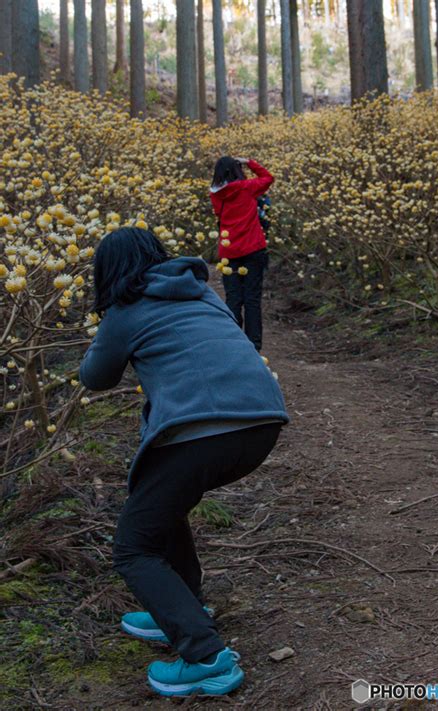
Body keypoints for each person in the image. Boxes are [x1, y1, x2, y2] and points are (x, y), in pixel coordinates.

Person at [79, 228, 289, 698]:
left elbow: (95, 377)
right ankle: (180, 608)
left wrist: (103, 334)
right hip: (262, 422)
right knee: (158, 505)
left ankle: (206, 657)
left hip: (201, 431)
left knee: (133, 547)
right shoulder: (201, 290)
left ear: (107, 272)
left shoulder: (125, 309)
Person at [210, 156, 274, 352]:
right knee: (252, 299)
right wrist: (250, 162)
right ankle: (254, 345)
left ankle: (234, 344)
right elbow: (268, 178)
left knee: (233, 298)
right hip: (253, 248)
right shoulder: (247, 187)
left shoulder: (215, 194)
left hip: (230, 251)